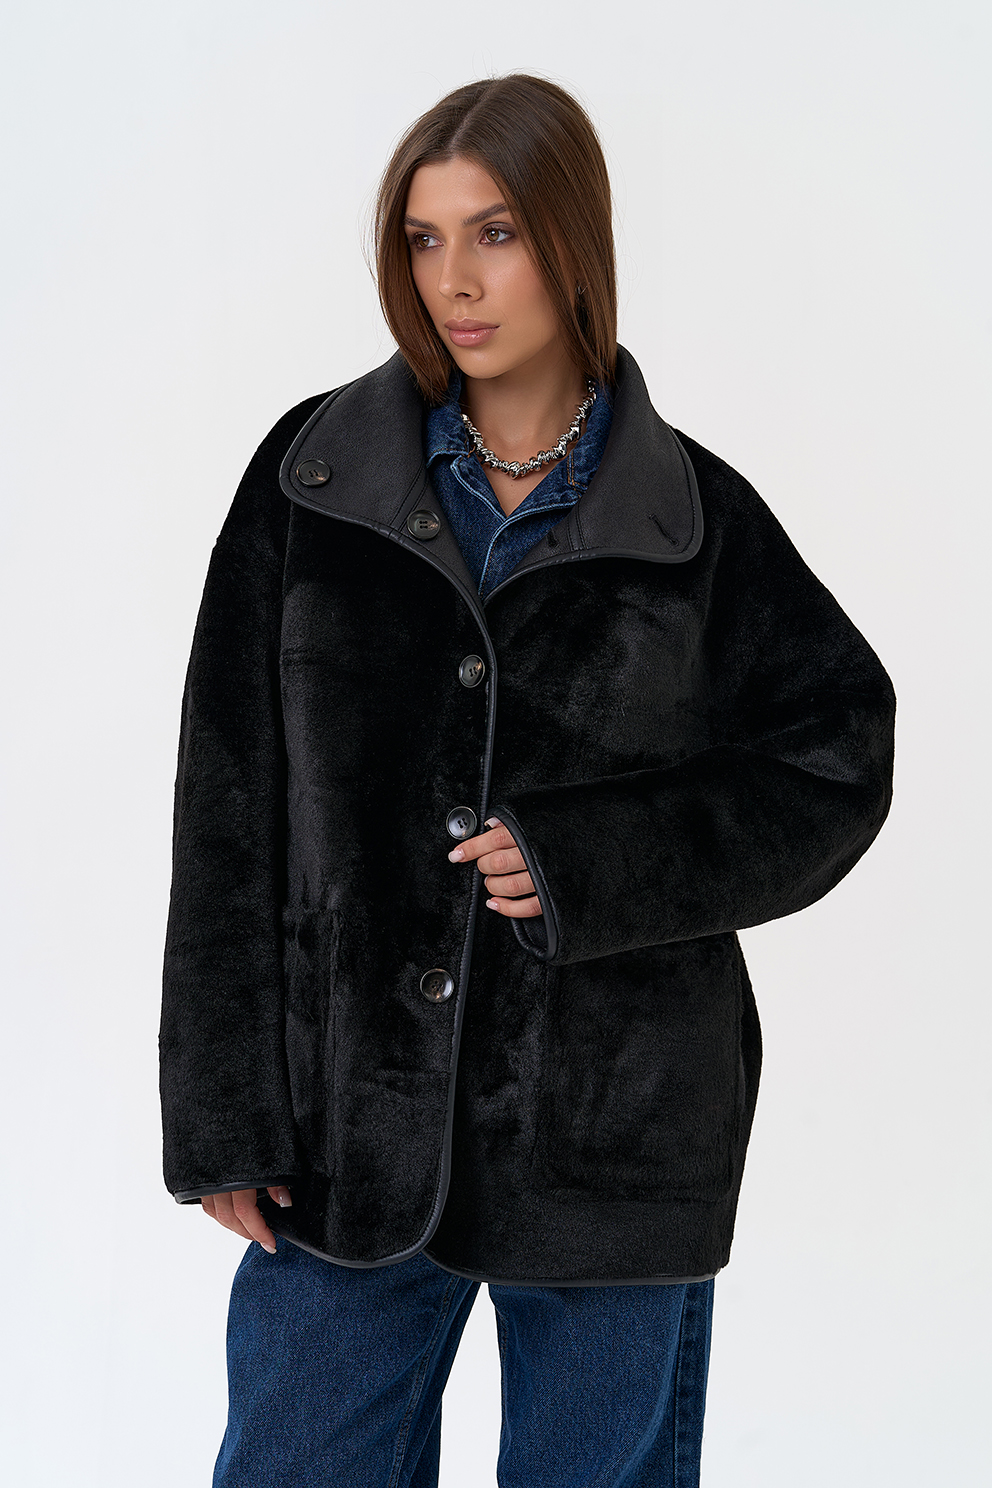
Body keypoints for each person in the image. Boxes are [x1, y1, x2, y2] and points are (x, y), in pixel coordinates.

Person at [160, 74, 896, 1488]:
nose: (454, 280)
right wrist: (224, 1114)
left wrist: (588, 862)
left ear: (571, 242)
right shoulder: (313, 482)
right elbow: (225, 806)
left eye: (492, 232)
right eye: (424, 239)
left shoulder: (695, 519)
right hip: (345, 1124)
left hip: (617, 1128)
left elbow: (836, 756)